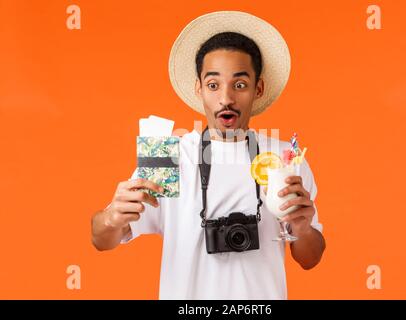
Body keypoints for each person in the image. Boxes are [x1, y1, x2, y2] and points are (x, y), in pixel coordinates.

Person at [91, 11, 325, 299]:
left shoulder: (285, 158)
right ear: (199, 89)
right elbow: (102, 240)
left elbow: (310, 258)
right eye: (213, 85)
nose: (226, 98)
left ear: (258, 88)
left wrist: (302, 228)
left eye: (239, 84)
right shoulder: (168, 155)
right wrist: (112, 217)